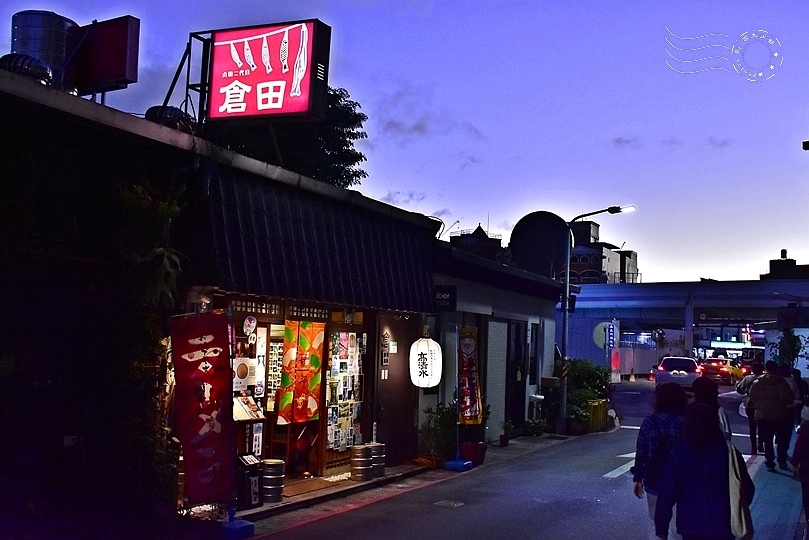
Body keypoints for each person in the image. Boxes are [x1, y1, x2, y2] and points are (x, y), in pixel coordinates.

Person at [655, 403, 755, 540]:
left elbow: (666, 494)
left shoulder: (678, 452)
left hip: (690, 524)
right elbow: (747, 488)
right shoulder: (728, 451)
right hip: (723, 523)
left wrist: (662, 528)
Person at [631, 381, 687, 540]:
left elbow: (641, 451)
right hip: (681, 481)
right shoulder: (687, 422)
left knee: (655, 524)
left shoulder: (650, 422)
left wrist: (638, 478)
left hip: (655, 478)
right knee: (678, 526)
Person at [748, 360, 794, 471]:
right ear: (776, 369)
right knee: (782, 440)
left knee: (767, 440)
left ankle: (769, 462)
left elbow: (751, 398)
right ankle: (782, 461)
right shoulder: (782, 383)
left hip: (763, 415)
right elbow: (789, 401)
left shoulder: (757, 382)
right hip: (781, 415)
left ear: (766, 368)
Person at [736, 362, 764, 454]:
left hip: (750, 403)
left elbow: (740, 389)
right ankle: (761, 444)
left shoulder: (748, 378)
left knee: (752, 426)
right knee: (762, 425)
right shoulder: (765, 379)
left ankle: (753, 448)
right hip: (763, 404)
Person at [692, 376, 732, 441]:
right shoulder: (718, 410)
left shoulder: (690, 409)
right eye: (715, 391)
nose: (717, 393)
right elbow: (726, 434)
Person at [790, 418, 809, 533]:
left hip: (807, 468)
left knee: (807, 496)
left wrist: (794, 463)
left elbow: (799, 446)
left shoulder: (806, 426)